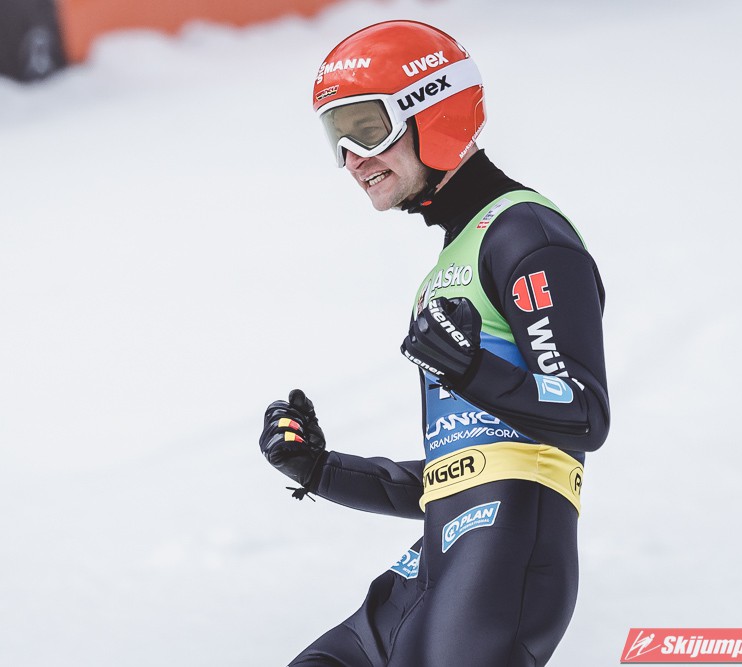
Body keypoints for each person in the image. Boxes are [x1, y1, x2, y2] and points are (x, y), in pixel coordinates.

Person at [258, 20, 610, 667]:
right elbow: (458, 472)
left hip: (504, 556)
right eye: (337, 136)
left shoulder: (525, 234)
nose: (352, 159)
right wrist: (321, 469)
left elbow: (586, 414)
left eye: (367, 128)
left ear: (436, 111)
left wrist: (472, 369)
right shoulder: (452, 261)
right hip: (440, 558)